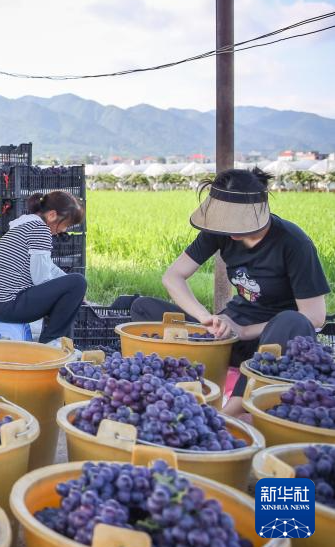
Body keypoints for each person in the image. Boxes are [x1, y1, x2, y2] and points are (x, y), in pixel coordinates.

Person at [130, 168, 329, 415]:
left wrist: (245, 331)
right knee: (143, 307)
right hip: (230, 334)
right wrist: (206, 318)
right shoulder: (221, 233)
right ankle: (180, 386)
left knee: (291, 320)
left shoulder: (294, 243)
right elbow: (173, 276)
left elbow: (315, 316)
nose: (231, 232)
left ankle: (231, 410)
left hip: (273, 339)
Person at [0, 191, 87, 343]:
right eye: (66, 225)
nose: (64, 230)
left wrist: (65, 287)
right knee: (79, 282)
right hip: (10, 305)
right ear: (52, 215)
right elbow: (41, 279)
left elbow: (48, 267)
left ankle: (54, 340)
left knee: (73, 285)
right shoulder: (40, 230)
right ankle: (50, 342)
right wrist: (69, 293)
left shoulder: (25, 225)